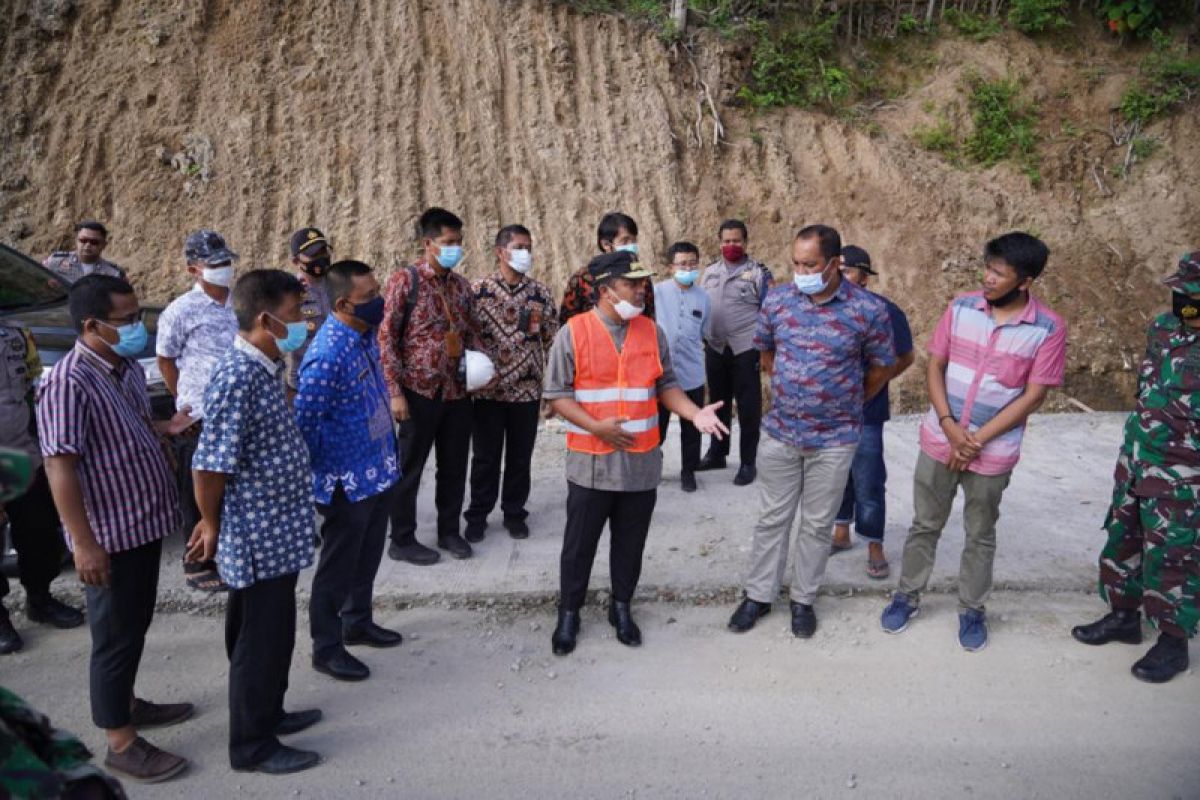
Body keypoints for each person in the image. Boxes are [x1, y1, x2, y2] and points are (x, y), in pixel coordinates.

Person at [37, 275, 194, 783]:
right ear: (91, 325)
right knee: (114, 635)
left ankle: (125, 703)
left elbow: (126, 426)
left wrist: (165, 429)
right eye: (126, 320)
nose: (136, 328)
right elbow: (60, 464)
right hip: (108, 533)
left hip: (142, 522)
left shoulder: (121, 368)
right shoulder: (68, 382)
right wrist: (82, 543)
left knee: (134, 623)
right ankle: (120, 743)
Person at [880, 232, 1067, 652]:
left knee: (980, 533)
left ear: (1025, 281)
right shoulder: (962, 307)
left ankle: (972, 609)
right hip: (939, 439)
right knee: (925, 524)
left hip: (993, 452)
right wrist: (948, 425)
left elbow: (1034, 395)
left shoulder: (1048, 328)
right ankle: (906, 597)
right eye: (987, 268)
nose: (987, 278)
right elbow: (935, 365)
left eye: (998, 273)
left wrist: (977, 439)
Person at [543, 251, 727, 656]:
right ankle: (569, 613)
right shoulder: (573, 333)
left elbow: (667, 385)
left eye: (643, 282)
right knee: (579, 545)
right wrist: (595, 426)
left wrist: (694, 414)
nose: (642, 289)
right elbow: (556, 394)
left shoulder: (650, 331)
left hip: (641, 463)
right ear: (606, 290)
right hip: (592, 462)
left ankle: (621, 608)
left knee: (630, 544)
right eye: (632, 283)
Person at [727, 225, 895, 639]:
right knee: (771, 519)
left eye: (810, 264)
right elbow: (765, 352)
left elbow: (883, 364)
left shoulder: (867, 309)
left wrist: (851, 401)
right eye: (796, 263)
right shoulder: (779, 300)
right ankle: (759, 595)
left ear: (835, 263)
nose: (800, 271)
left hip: (835, 440)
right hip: (782, 433)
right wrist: (788, 386)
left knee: (818, 525)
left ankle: (803, 599)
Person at [188, 270, 322, 775]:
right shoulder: (238, 375)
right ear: (265, 319)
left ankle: (271, 712)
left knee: (272, 632)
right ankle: (252, 745)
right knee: (259, 642)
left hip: (280, 531)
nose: (303, 324)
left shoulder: (266, 364)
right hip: (257, 535)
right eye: (294, 315)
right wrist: (209, 522)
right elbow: (209, 463)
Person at [1071, 251, 1200, 684]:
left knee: (1173, 555)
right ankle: (1124, 616)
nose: (1184, 302)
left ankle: (1172, 641)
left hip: (1186, 475)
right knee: (1123, 537)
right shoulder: (1164, 329)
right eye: (1181, 292)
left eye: (1193, 295)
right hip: (1138, 457)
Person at [295, 260, 403, 683]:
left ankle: (357, 620)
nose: (378, 302)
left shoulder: (364, 336)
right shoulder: (325, 356)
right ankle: (327, 645)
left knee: (368, 554)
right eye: (369, 297)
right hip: (345, 481)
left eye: (377, 292)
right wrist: (322, 483)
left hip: (377, 470)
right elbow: (306, 426)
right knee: (337, 568)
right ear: (342, 304)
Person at [380, 207, 482, 565]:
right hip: (417, 393)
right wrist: (394, 391)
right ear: (428, 243)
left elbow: (471, 333)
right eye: (448, 242)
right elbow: (387, 338)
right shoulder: (404, 282)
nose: (455, 248)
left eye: (458, 242)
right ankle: (402, 539)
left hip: (456, 393)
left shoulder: (461, 286)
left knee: (454, 466)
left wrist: (481, 368)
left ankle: (449, 531)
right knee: (409, 468)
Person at [155, 229, 239, 594]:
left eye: (226, 261)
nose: (224, 268)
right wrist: (183, 401)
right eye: (215, 264)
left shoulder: (240, 301)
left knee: (231, 485)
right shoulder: (180, 311)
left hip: (237, 410)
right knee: (198, 488)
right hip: (200, 412)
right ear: (194, 270)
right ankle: (196, 561)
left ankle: (228, 551)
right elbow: (166, 359)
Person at [464, 225, 559, 541]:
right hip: (488, 393)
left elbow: (551, 341)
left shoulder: (540, 294)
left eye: (529, 247)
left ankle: (514, 513)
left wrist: (553, 390)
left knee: (520, 457)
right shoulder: (477, 291)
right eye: (519, 247)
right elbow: (465, 335)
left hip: (527, 391)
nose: (525, 254)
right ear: (500, 252)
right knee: (485, 458)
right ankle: (477, 515)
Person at [828, 245, 916, 579]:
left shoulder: (884, 311)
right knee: (837, 475)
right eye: (837, 269)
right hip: (830, 413)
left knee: (868, 479)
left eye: (847, 270)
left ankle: (874, 544)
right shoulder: (824, 308)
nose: (840, 276)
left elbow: (905, 356)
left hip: (866, 413)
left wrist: (876, 385)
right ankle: (841, 530)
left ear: (864, 277)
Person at [0, 320, 84, 655]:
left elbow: (33, 387)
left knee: (40, 533)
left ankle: (40, 598)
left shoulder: (18, 334)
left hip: (22, 453)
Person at [697, 219, 773, 487]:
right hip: (715, 347)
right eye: (727, 241)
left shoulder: (758, 273)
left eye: (737, 241)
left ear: (745, 242)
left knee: (749, 407)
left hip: (746, 348)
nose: (731, 245)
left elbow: (770, 311)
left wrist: (767, 350)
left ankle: (748, 462)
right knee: (718, 403)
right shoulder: (709, 273)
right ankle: (717, 453)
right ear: (719, 243)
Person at [653, 241, 710, 493]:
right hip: (662, 373)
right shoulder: (656, 293)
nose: (688, 268)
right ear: (670, 267)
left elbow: (705, 332)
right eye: (682, 263)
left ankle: (689, 471)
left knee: (692, 428)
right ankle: (653, 466)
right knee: (657, 427)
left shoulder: (703, 298)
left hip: (692, 372)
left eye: (692, 263)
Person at [558, 212, 656, 324]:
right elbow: (568, 322)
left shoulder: (642, 278)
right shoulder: (583, 278)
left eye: (634, 240)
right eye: (625, 241)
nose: (631, 245)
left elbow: (650, 319)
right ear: (606, 244)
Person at [285, 227, 334, 396]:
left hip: (341, 378)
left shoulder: (341, 284)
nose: (321, 258)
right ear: (296, 262)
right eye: (314, 255)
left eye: (323, 251)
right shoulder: (287, 293)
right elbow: (285, 343)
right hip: (306, 383)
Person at [43, 221, 125, 284]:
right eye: (83, 240)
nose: (88, 245)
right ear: (76, 241)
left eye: (94, 242)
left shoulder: (113, 274)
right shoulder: (55, 262)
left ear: (104, 245)